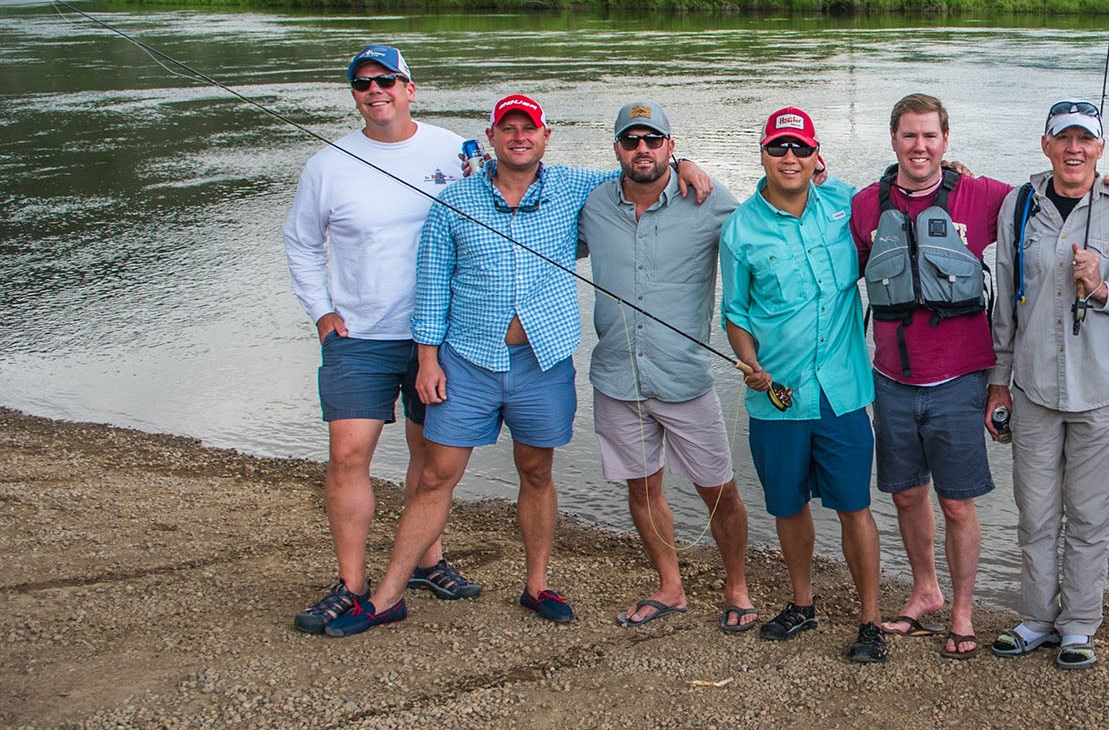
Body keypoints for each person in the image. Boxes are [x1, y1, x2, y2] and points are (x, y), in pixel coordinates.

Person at [321, 93, 709, 636]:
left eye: (530, 128)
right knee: (436, 475)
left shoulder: (578, 188)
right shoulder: (452, 202)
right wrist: (428, 360)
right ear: (492, 138)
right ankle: (386, 596)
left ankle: (536, 585)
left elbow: (641, 168)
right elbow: (431, 286)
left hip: (542, 362)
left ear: (545, 137)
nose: (520, 137)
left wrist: (686, 162)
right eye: (509, 129)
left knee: (536, 471)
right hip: (466, 360)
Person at [282, 44, 479, 633]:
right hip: (358, 335)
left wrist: (681, 167)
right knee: (347, 455)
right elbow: (299, 242)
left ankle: (427, 560)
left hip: (437, 335)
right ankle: (351, 582)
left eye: (388, 80)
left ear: (410, 87)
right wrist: (321, 312)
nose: (377, 90)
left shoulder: (456, 151)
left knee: (430, 457)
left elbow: (515, 193)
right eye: (364, 83)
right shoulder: (328, 164)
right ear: (355, 96)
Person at [988, 101, 1109, 667]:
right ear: (1045, 144)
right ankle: (1036, 619)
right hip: (1034, 392)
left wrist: (1102, 290)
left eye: (1085, 140)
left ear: (1100, 148)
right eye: (1063, 138)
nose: (1075, 149)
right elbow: (1003, 300)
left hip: (1104, 395)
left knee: (1092, 519)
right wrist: (999, 384)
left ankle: (1078, 626)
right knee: (1035, 515)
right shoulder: (1017, 206)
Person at [577, 102, 755, 633]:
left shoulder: (709, 200)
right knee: (642, 488)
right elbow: (530, 185)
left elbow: (772, 220)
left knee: (720, 489)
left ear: (670, 147)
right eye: (631, 142)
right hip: (616, 376)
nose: (642, 151)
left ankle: (737, 586)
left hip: (685, 378)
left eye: (653, 141)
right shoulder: (591, 204)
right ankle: (670, 586)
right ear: (617, 150)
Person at [722, 107, 888, 663]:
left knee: (854, 506)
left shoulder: (847, 204)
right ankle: (802, 604)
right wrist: (747, 360)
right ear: (763, 155)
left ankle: (870, 620)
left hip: (841, 393)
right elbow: (736, 314)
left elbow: (911, 186)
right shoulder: (739, 228)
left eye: (799, 148)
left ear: (817, 156)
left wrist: (953, 171)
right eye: (778, 148)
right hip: (776, 397)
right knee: (787, 507)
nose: (789, 158)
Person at [848, 94, 1012, 647]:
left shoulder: (981, 195)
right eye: (909, 136)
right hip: (892, 378)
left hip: (960, 377)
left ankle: (962, 611)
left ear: (947, 140)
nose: (920, 147)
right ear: (893, 140)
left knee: (956, 501)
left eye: (930, 136)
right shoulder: (866, 204)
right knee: (905, 494)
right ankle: (926, 591)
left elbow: (1057, 197)